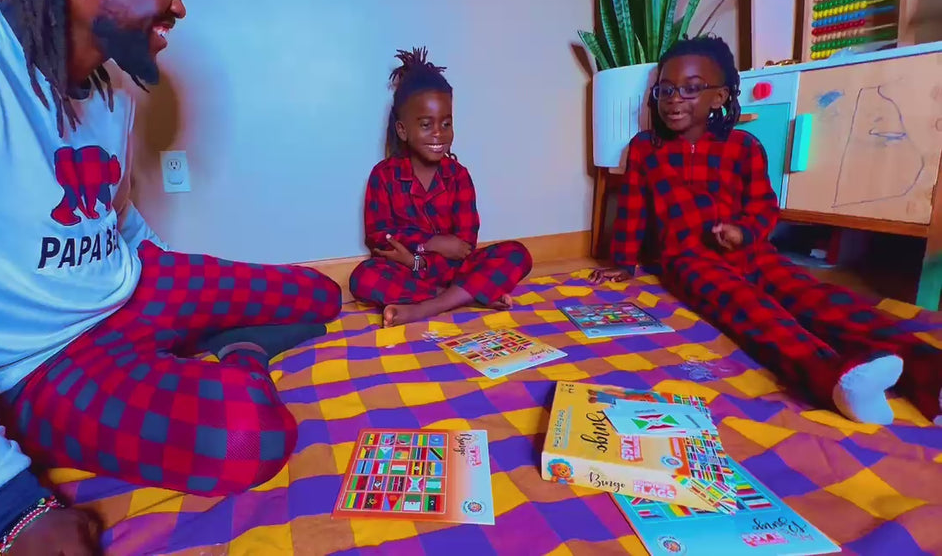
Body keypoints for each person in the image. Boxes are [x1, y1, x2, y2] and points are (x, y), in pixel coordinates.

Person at [0, 0, 343, 553]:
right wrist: (13, 509)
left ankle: (185, 344)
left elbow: (116, 221)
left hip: (128, 289)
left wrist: (180, 285)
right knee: (248, 439)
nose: (179, 7)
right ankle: (237, 353)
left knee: (317, 294)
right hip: (39, 364)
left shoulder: (112, 89)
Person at [590, 35, 942, 428]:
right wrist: (622, 260)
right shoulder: (645, 149)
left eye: (691, 89)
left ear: (719, 97)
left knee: (812, 296)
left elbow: (763, 205)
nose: (674, 99)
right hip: (687, 258)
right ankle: (833, 378)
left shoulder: (744, 146)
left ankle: (927, 370)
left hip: (753, 252)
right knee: (750, 308)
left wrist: (744, 231)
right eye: (666, 90)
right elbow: (633, 209)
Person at [348, 48, 533, 327]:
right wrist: (427, 247)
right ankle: (465, 297)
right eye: (426, 124)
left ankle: (426, 307)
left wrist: (423, 252)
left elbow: (465, 244)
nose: (438, 133)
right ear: (402, 130)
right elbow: (379, 236)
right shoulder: (383, 176)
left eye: (446, 123)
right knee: (363, 277)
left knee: (518, 254)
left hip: (456, 271)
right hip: (406, 269)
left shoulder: (458, 176)